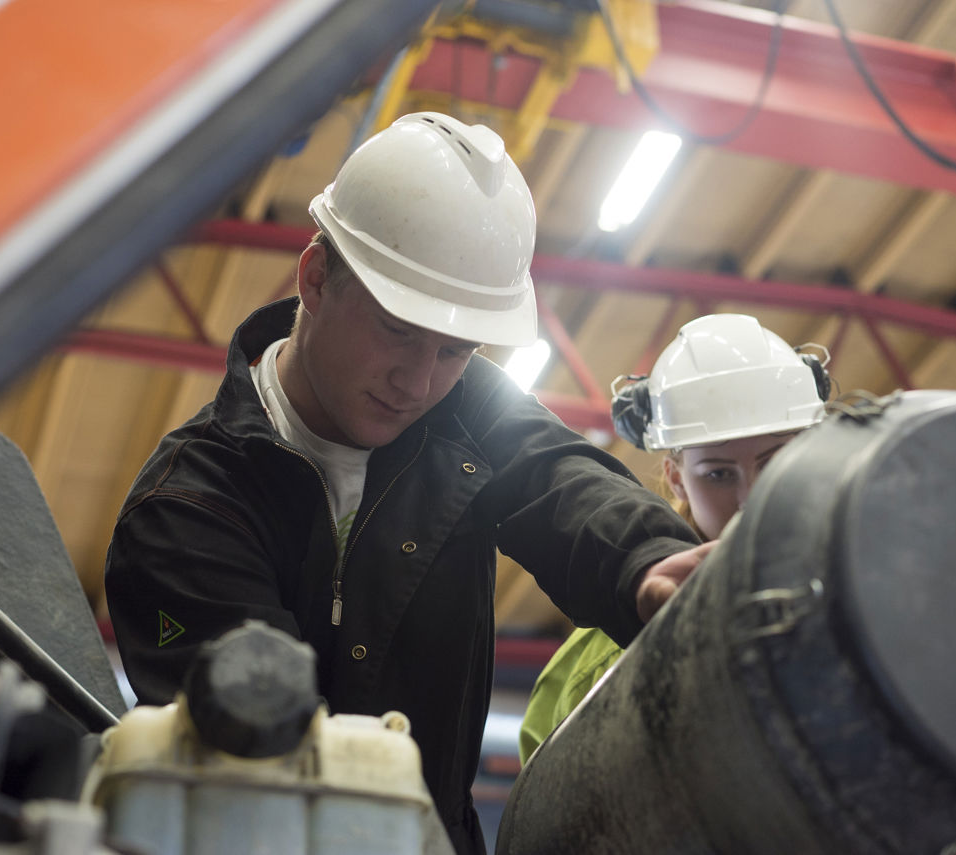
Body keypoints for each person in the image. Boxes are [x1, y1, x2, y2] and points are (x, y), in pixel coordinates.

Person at [103, 112, 708, 855]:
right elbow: (261, 783)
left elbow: (561, 479)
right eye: (398, 330)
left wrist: (648, 562)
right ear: (317, 280)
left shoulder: (465, 408)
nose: (419, 380)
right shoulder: (183, 510)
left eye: (455, 349)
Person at [517, 313, 831, 764]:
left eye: (774, 461)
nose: (749, 500)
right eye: (719, 474)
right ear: (676, 478)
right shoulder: (606, 655)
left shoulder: (866, 582)